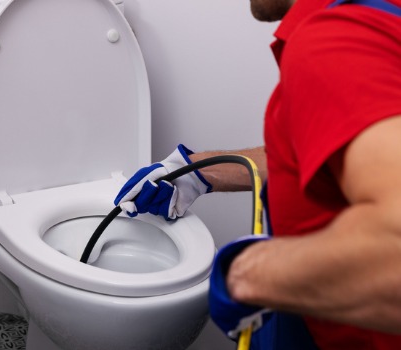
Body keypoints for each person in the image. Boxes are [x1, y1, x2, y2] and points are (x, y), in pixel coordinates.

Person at [113, 0, 401, 348]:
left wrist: (249, 275)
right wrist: (197, 171)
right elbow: (324, 149)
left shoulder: (334, 44)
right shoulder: (380, 18)